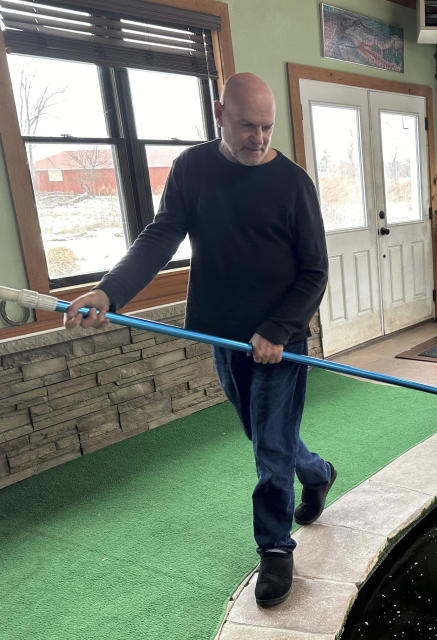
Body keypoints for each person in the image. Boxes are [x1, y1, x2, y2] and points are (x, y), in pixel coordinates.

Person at [63, 72, 336, 608]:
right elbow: (161, 236)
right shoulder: (192, 169)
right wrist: (109, 292)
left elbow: (315, 272)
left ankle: (276, 549)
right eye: (247, 126)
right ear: (220, 114)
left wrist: (277, 330)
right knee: (262, 437)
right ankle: (318, 471)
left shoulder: (294, 183)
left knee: (270, 447)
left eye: (267, 127)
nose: (259, 137)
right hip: (224, 333)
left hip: (281, 340)